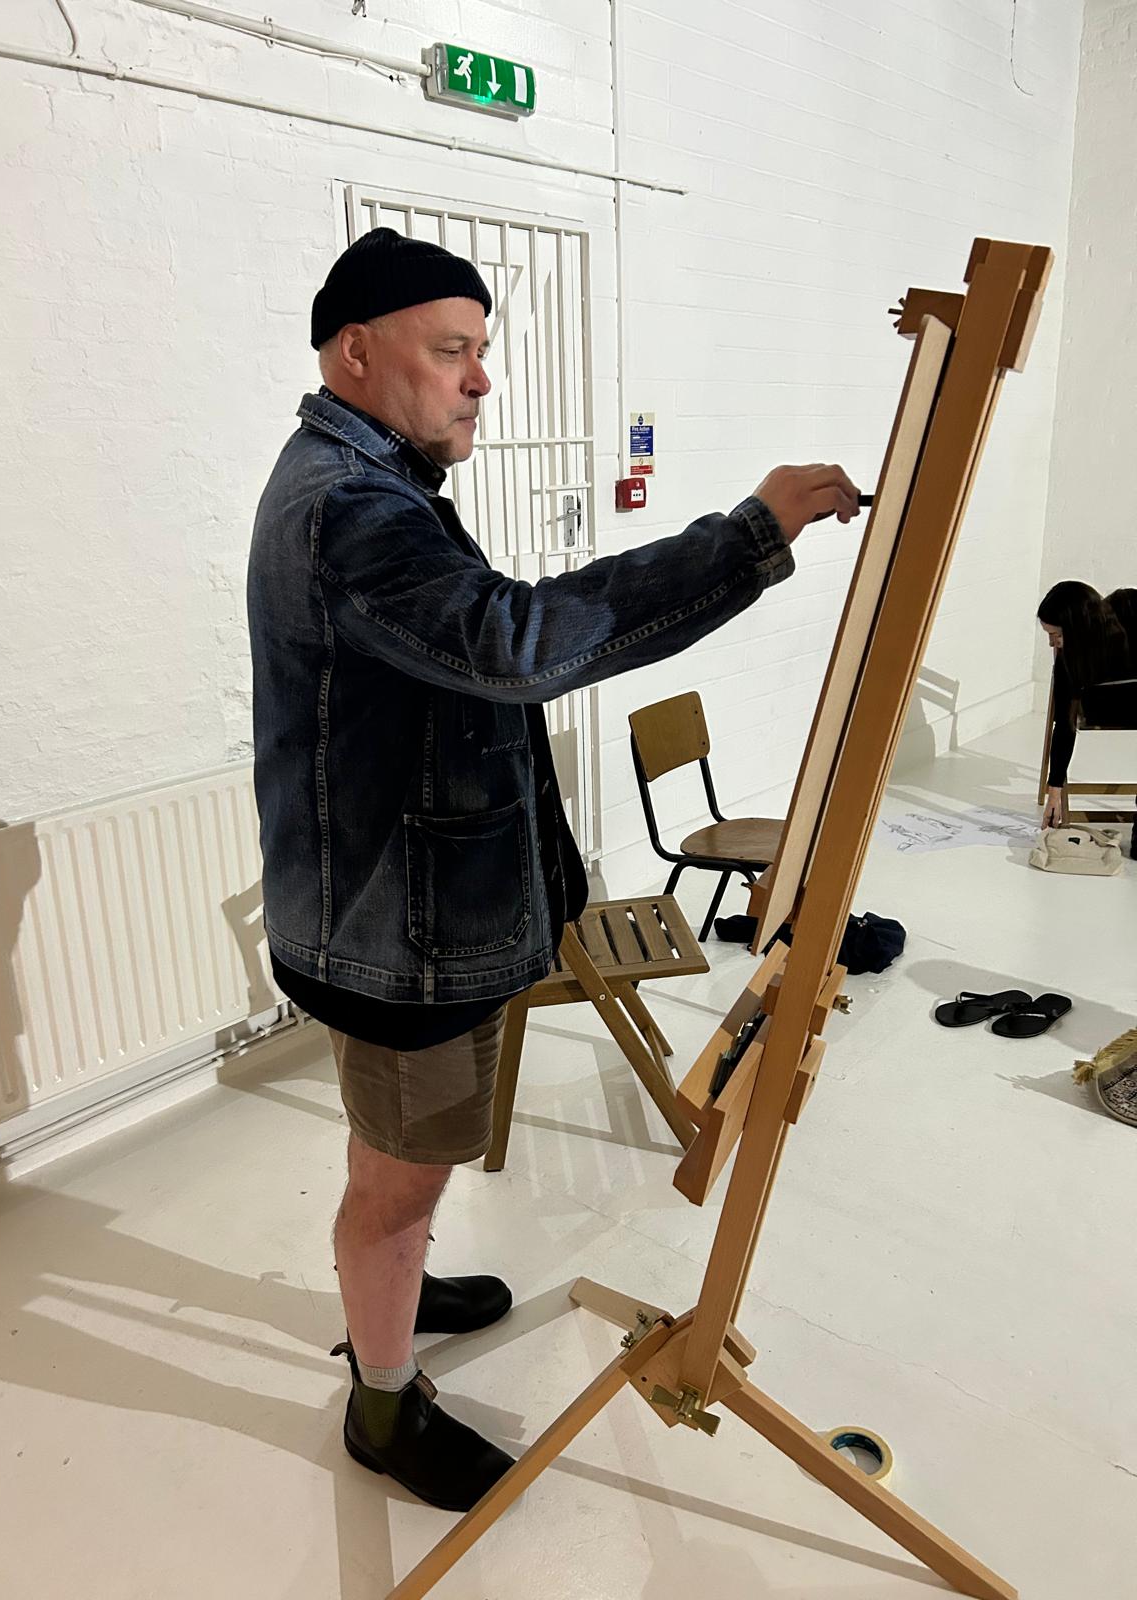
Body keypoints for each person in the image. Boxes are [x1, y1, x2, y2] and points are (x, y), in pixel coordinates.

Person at [246, 227, 861, 1513]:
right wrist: (743, 536)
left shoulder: (377, 481)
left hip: (421, 910)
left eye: (482, 351)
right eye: (451, 351)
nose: (480, 380)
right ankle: (381, 1399)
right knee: (393, 1180)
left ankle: (400, 1290)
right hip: (391, 929)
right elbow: (514, 640)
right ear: (358, 353)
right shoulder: (349, 509)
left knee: (409, 1165)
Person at [1037, 581, 1135, 830]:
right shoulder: (1067, 660)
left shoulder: (1130, 612)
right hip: (1102, 708)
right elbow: (1065, 723)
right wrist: (1054, 790)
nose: (1051, 644)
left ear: (1078, 628)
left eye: (1056, 635)